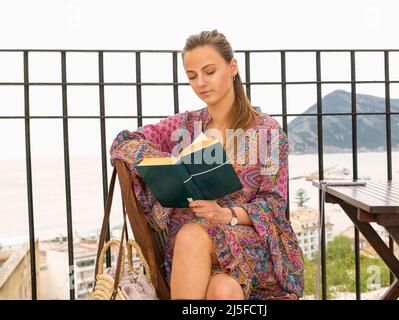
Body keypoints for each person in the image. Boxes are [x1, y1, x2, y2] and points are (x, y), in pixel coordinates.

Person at [110, 29, 304, 300]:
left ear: (232, 67)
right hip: (191, 258)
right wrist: (165, 166)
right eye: (191, 76)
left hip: (249, 246)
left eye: (209, 71)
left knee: (192, 234)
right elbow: (124, 141)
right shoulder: (183, 127)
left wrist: (227, 215)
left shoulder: (267, 132)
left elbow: (273, 204)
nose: (200, 82)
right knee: (222, 290)